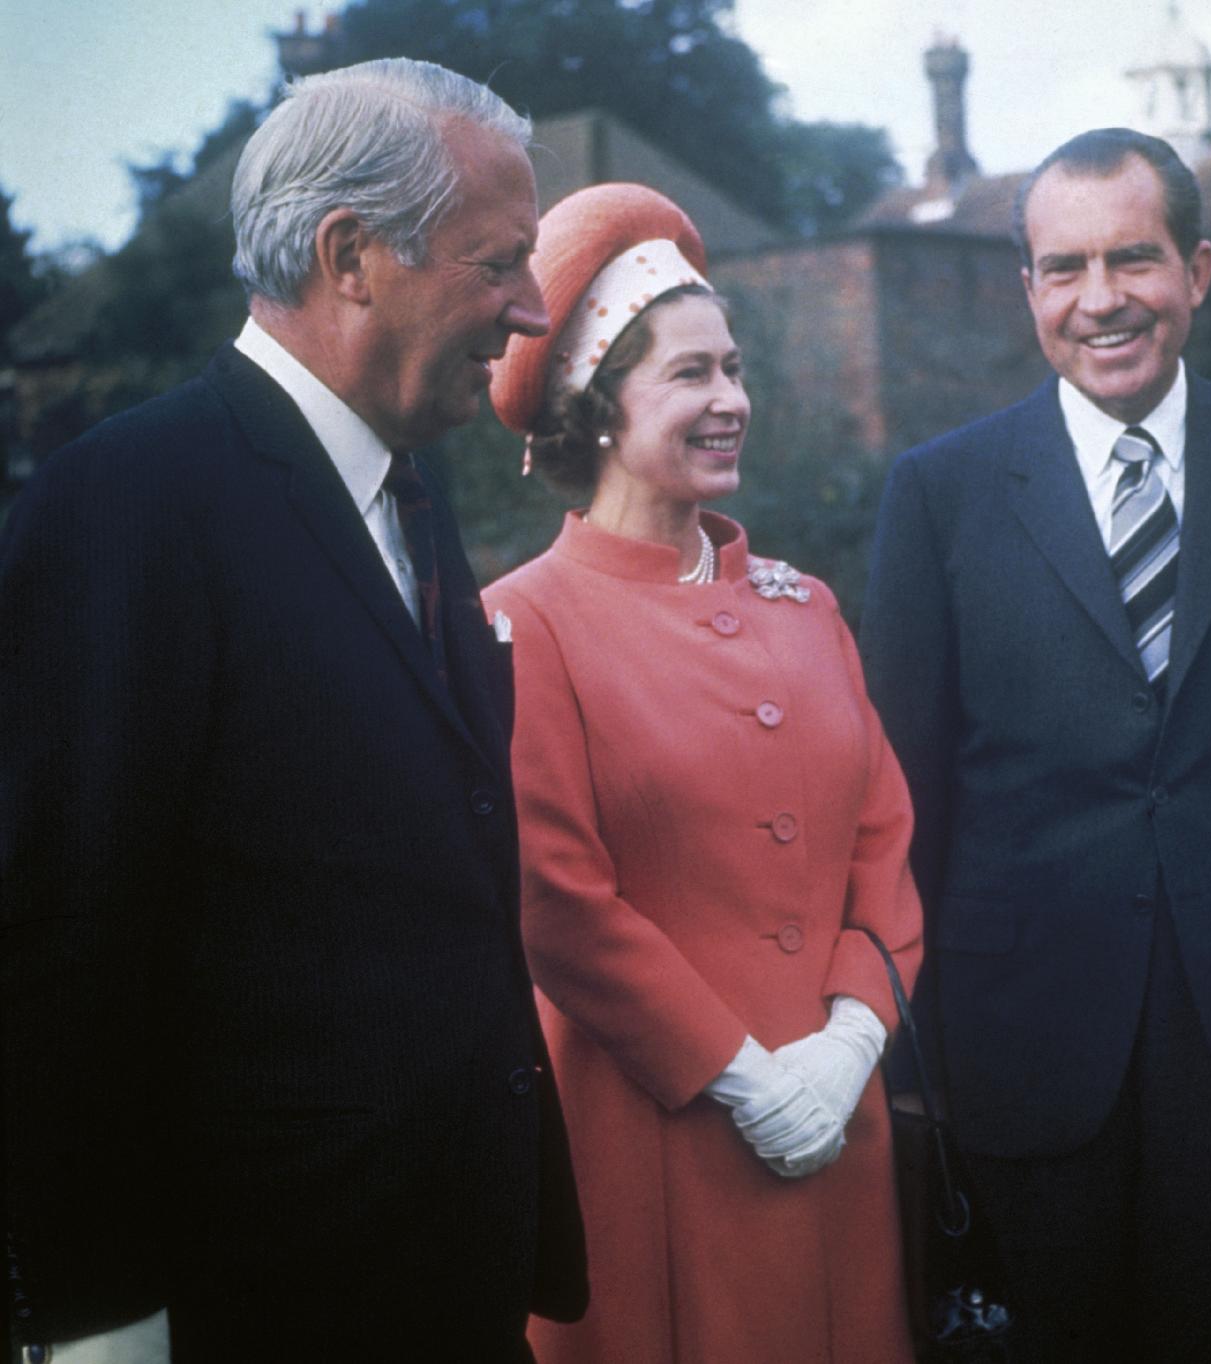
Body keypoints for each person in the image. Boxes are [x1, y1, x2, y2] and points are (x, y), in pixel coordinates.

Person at [0, 59, 586, 1361]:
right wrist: (104, 1325)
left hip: (446, 1276)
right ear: (351, 255)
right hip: (256, 1305)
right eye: (498, 264)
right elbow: (58, 949)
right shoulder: (126, 509)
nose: (532, 308)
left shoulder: (409, 491)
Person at [859, 128, 1211, 1363]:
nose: (1101, 300)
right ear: (1029, 290)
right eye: (1064, 268)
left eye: (1132, 260)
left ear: (1197, 270)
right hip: (1022, 1033)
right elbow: (902, 794)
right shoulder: (940, 492)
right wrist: (908, 1038)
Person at [481, 182, 923, 1364]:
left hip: (837, 1124)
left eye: (733, 368)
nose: (731, 399)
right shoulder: (525, 624)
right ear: (593, 401)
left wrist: (847, 1044)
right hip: (654, 1135)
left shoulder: (807, 606)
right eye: (689, 374)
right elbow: (556, 901)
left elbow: (881, 841)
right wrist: (741, 1077)